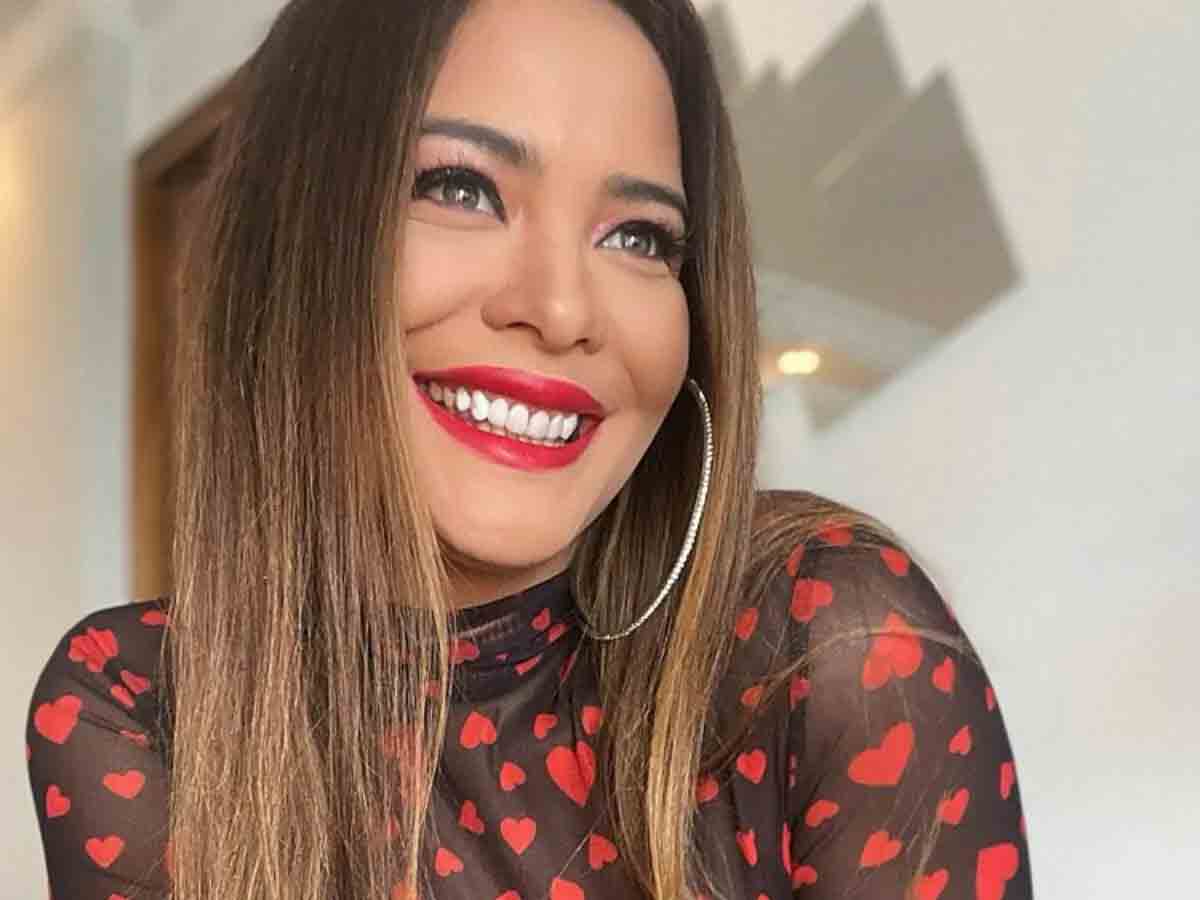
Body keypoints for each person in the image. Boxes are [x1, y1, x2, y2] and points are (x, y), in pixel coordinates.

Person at [25, 0, 1032, 898]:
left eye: (639, 237)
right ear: (296, 246)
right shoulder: (138, 705)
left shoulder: (830, 642)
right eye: (461, 187)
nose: (560, 311)